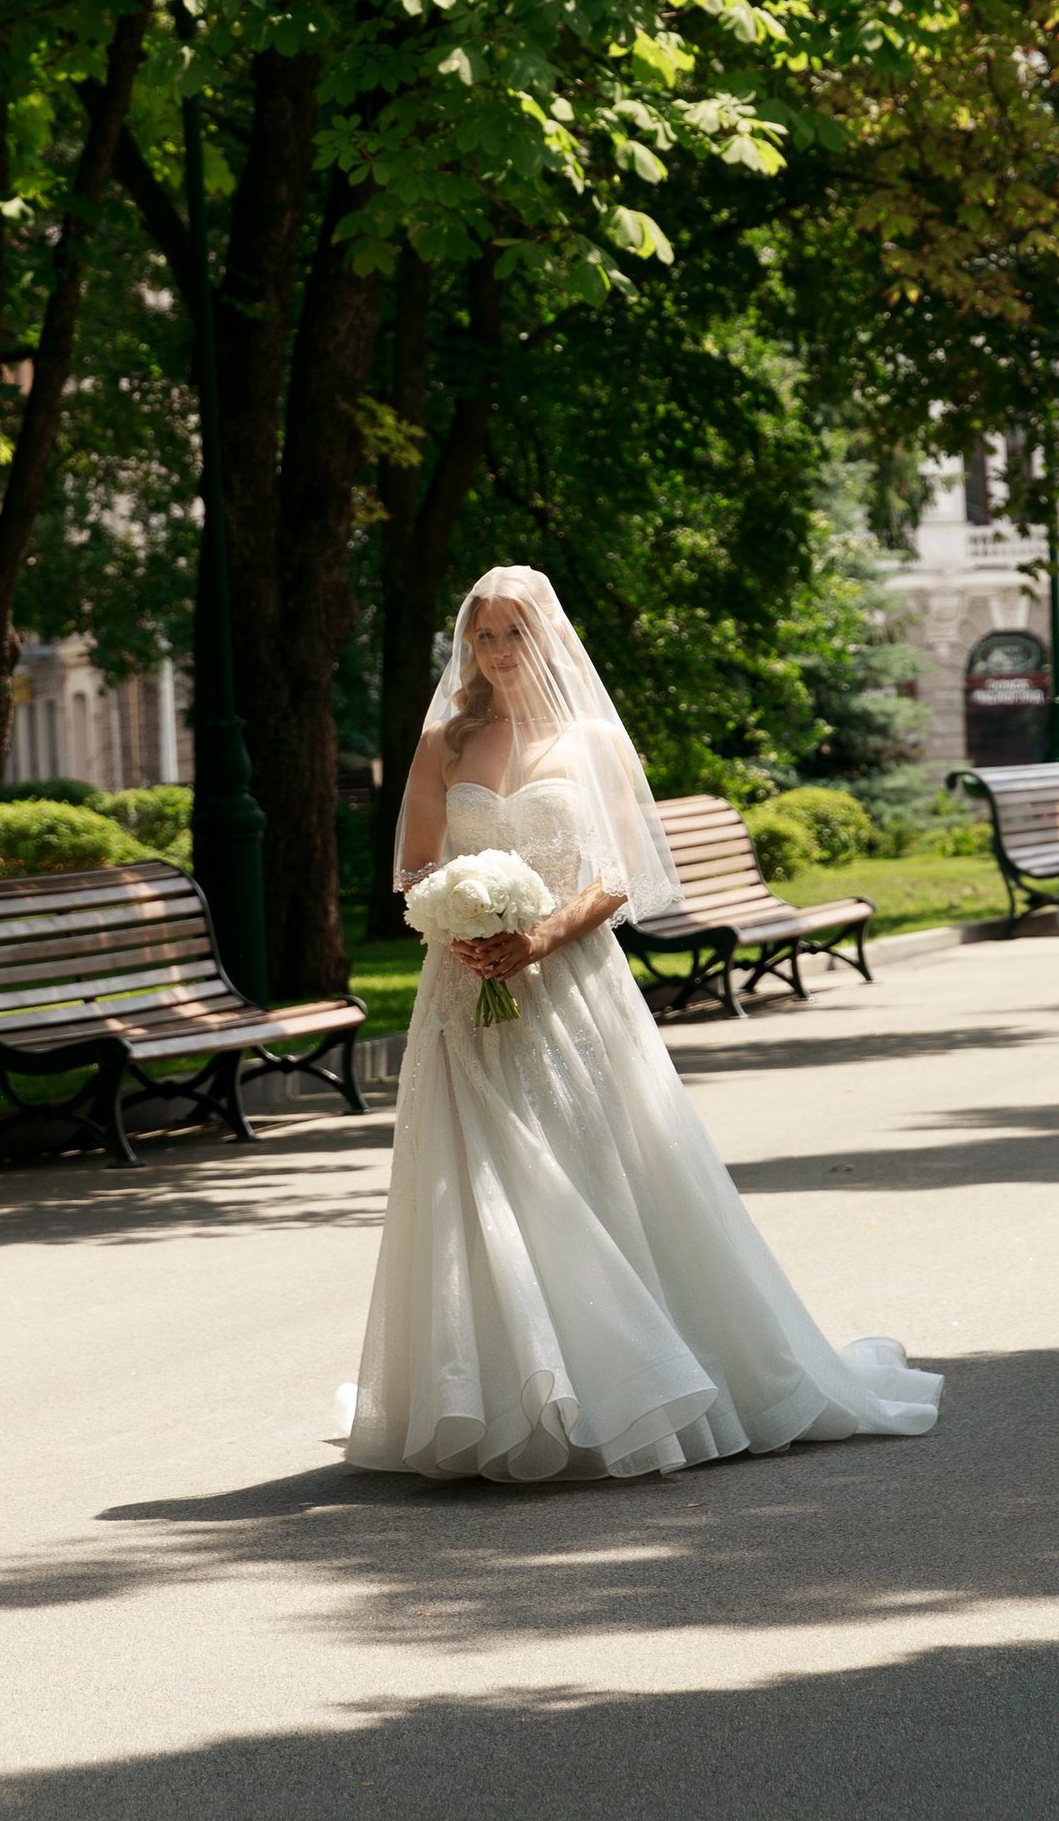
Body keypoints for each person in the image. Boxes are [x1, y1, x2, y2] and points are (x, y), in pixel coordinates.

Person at [341, 563, 942, 1484]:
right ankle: (492, 1396)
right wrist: (460, 923)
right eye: (483, 636)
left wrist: (537, 937)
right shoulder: (445, 741)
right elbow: (418, 865)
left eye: (515, 633)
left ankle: (631, 1384)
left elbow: (616, 877)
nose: (498, 651)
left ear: (549, 638)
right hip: (463, 987)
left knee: (586, 1166)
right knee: (475, 1180)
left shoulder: (593, 740)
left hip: (569, 982)